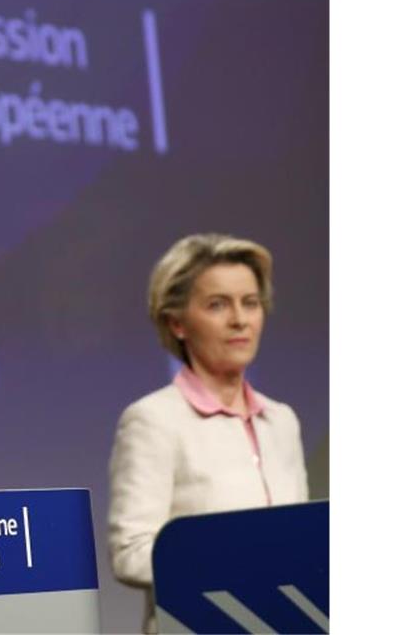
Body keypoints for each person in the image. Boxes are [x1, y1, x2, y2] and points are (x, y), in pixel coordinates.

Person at [107, 233, 308, 633]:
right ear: (177, 322)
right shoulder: (153, 420)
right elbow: (130, 554)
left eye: (250, 303)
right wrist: (237, 563)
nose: (240, 319)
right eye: (218, 304)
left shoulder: (282, 421)